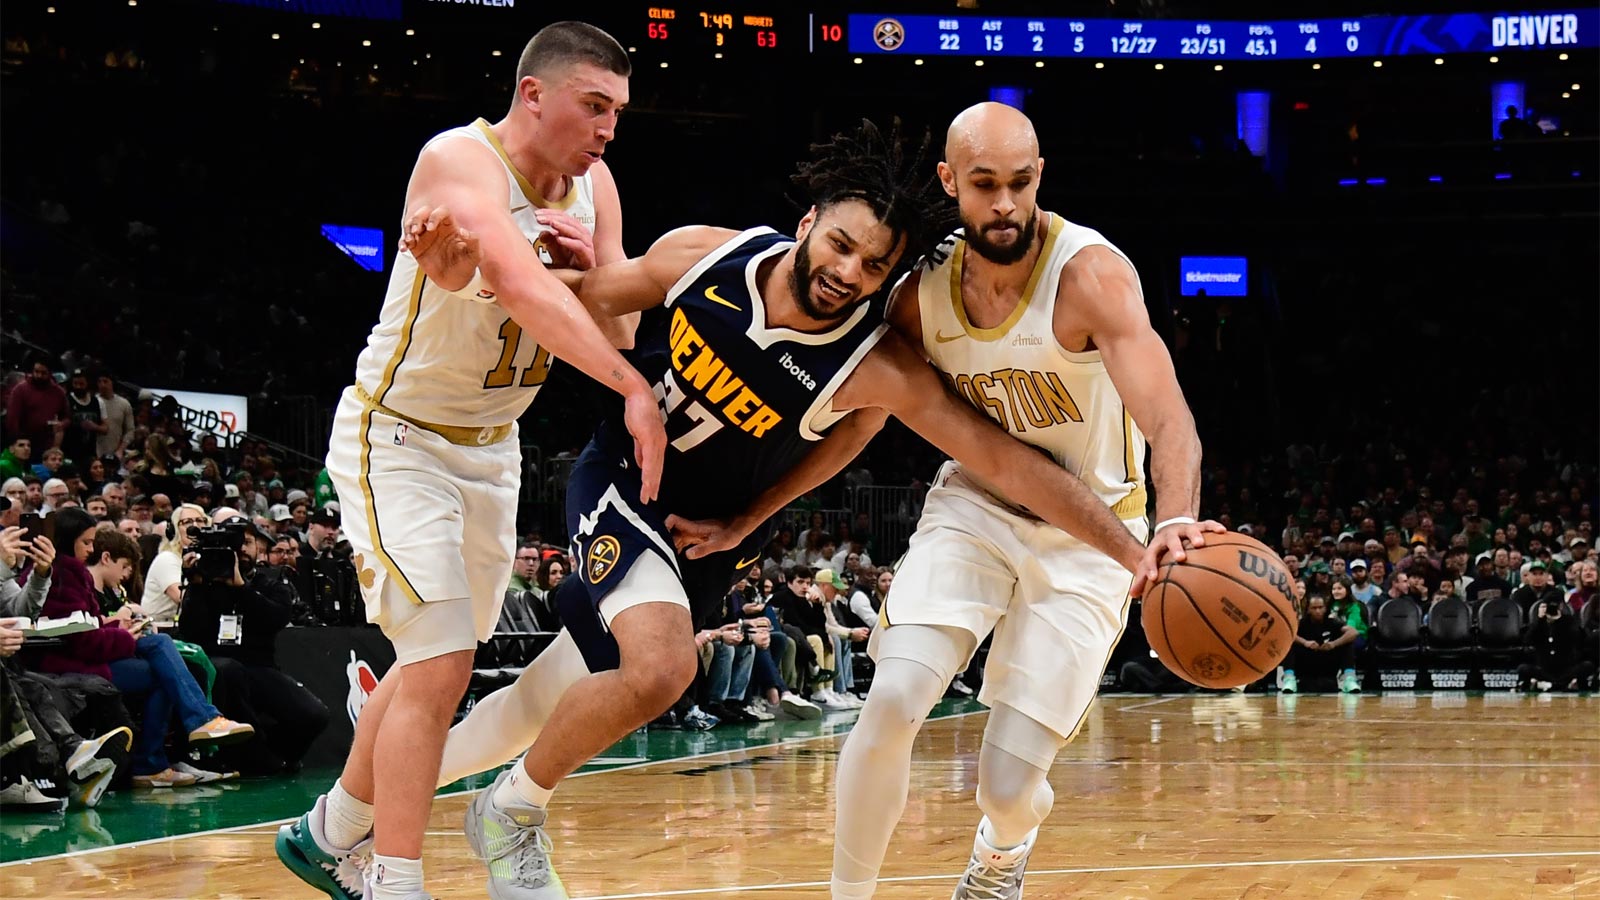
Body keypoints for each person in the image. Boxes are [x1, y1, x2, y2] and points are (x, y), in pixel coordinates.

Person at [414, 117, 1172, 899]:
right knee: (663, 667)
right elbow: (577, 299)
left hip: (707, 538)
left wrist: (1130, 549)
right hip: (626, 480)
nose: (850, 270)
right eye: (840, 243)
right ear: (807, 221)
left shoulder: (872, 362)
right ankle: (512, 810)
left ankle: (358, 805)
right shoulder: (709, 254)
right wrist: (474, 271)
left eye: (875, 265)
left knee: (546, 697)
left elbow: (1000, 459)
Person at [653, 102, 1215, 900]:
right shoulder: (917, 293)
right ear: (951, 182)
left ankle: (998, 856)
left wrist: (1179, 518)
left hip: (1095, 535)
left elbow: (1169, 419)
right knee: (892, 700)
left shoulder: (1090, 277)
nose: (1005, 204)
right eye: (984, 184)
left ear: (1040, 176)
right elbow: (862, 412)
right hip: (976, 510)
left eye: (1021, 183)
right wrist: (758, 511)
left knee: (1008, 788)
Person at [275, 22, 664, 900]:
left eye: (618, 112)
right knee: (442, 658)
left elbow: (622, 326)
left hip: (494, 451)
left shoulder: (594, 186)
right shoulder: (460, 159)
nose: (608, 129)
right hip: (399, 434)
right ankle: (395, 880)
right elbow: (520, 290)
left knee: (432, 662)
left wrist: (589, 276)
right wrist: (630, 390)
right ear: (534, 93)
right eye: (594, 106)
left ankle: (328, 832)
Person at [1280, 594, 1360, 694]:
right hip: (1307, 662)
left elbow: (1353, 632)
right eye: (1314, 608)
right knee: (1289, 643)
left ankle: (1349, 679)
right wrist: (1305, 642)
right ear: (1308, 610)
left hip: (1327, 661)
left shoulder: (1333, 622)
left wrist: (1334, 644)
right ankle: (1289, 678)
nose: (1318, 611)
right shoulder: (1302, 623)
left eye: (1320, 607)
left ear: (1325, 608)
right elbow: (1287, 632)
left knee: (1348, 642)